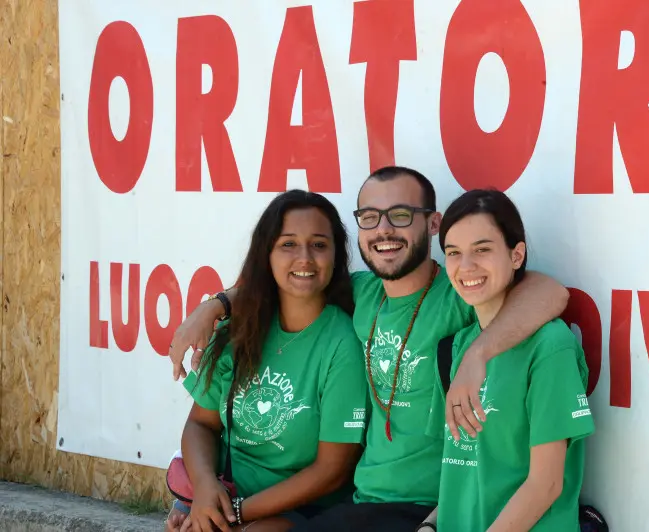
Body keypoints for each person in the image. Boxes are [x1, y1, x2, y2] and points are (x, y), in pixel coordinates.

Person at [168, 166, 570, 530]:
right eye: (370, 218)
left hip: (427, 504)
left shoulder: (459, 292)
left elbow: (549, 292)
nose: (384, 230)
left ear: (433, 223)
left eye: (400, 215)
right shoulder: (360, 293)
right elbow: (288, 279)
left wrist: (478, 354)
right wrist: (216, 305)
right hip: (364, 503)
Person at [165, 190, 368, 532]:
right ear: (267, 253)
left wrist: (233, 514)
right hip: (227, 491)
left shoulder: (342, 342)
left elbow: (331, 471)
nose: (304, 258)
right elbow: (201, 424)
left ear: (336, 254)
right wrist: (204, 491)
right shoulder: (238, 328)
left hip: (299, 506)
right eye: (288, 244)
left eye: (319, 244)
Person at [419, 189, 595, 531]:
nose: (466, 266)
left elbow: (546, 485)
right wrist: (428, 526)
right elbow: (463, 470)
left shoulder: (550, 346)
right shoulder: (455, 348)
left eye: (482, 249)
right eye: (453, 252)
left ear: (516, 255)